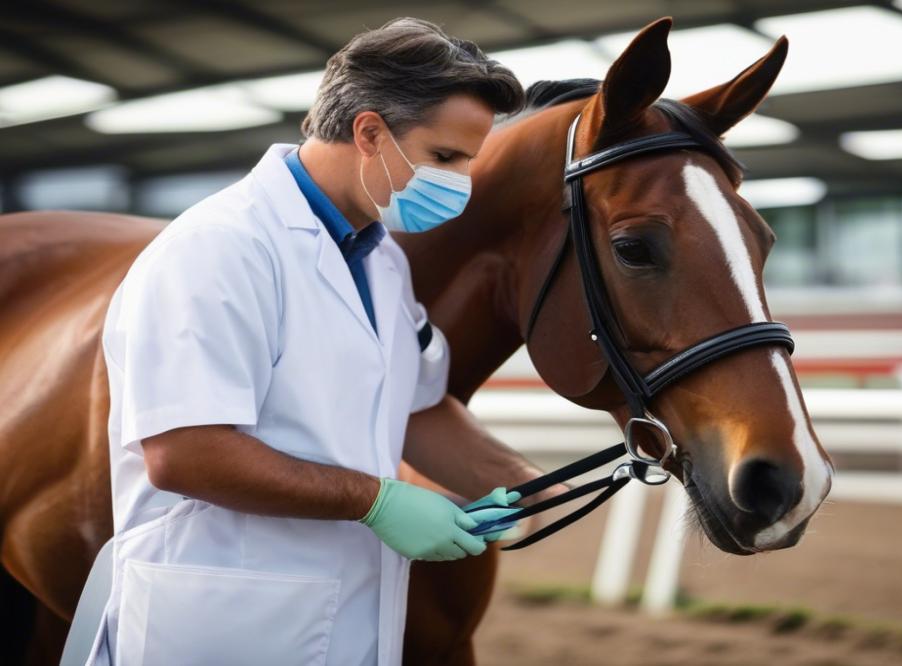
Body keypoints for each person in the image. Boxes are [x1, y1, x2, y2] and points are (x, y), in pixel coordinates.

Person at [86, 17, 553, 666]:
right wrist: (377, 499)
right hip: (219, 626)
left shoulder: (382, 260)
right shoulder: (219, 249)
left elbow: (415, 406)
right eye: (446, 158)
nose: (461, 183)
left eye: (468, 161)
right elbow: (183, 452)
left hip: (343, 621)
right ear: (369, 132)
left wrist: (531, 487)